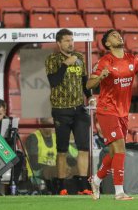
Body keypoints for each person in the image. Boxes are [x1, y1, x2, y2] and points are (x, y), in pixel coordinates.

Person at [87, 29, 138, 200]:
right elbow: (88, 84)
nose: (118, 36)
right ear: (107, 44)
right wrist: (100, 76)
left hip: (122, 112)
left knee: (113, 152)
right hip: (107, 110)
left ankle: (96, 179)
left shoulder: (132, 59)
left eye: (118, 34)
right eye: (113, 35)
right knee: (120, 148)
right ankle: (119, 192)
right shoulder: (104, 61)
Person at [45, 28, 95, 195]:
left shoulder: (80, 58)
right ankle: (61, 185)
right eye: (66, 40)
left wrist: (90, 97)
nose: (70, 43)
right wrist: (66, 64)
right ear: (59, 43)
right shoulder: (52, 59)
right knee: (62, 150)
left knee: (83, 147)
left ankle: (83, 185)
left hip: (79, 109)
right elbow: (54, 82)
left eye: (72, 40)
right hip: (61, 110)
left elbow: (84, 82)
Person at [0, 99, 25, 196]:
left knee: (19, 156)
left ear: (4, 112)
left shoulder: (9, 123)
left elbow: (12, 145)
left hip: (2, 152)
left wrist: (12, 133)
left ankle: (13, 186)